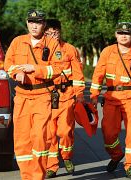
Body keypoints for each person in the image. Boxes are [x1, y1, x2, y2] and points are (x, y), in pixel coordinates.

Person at [4, 10, 70, 180]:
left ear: (44, 24)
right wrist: (16, 73)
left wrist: (35, 69)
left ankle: (37, 176)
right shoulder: (17, 42)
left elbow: (57, 69)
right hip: (22, 96)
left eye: (38, 22)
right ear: (27, 23)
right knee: (22, 140)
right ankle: (26, 177)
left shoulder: (52, 44)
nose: (34, 26)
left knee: (40, 138)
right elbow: (8, 64)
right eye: (31, 22)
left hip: (43, 96)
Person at [90, 22, 131, 179]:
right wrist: (93, 95)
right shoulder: (107, 51)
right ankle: (116, 154)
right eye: (120, 32)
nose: (124, 35)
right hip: (111, 98)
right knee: (108, 132)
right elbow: (98, 75)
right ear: (116, 35)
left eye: (127, 33)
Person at [44, 19, 85, 178]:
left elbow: (78, 74)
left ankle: (67, 157)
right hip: (47, 95)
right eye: (49, 32)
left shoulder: (69, 49)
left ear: (60, 32)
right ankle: (52, 167)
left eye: (55, 32)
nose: (52, 35)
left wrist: (79, 93)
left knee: (65, 130)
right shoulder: (41, 50)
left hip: (66, 95)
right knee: (50, 133)